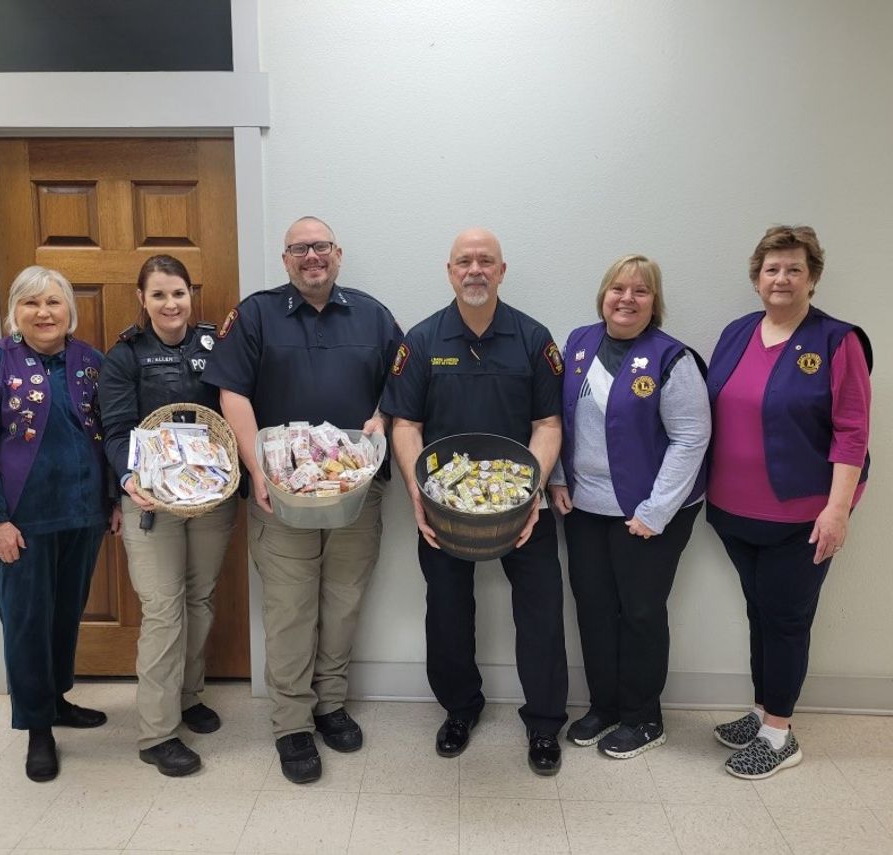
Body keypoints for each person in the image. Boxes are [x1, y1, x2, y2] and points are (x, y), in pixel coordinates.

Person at [201, 216, 401, 784]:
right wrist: (253, 467)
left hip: (354, 494)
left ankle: (330, 705)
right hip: (280, 495)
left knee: (342, 602)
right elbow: (232, 391)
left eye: (321, 247)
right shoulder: (257, 314)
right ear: (285, 259)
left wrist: (383, 417)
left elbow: (402, 384)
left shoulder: (374, 315)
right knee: (290, 609)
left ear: (338, 253)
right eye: (299, 249)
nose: (311, 257)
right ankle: (292, 722)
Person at [383, 227, 569, 777]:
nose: (475, 270)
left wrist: (530, 493)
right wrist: (418, 494)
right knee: (446, 609)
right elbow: (405, 424)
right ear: (449, 271)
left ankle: (543, 722)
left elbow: (549, 423)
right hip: (443, 507)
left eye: (486, 261)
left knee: (541, 611)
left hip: (522, 507)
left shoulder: (535, 340)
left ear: (502, 270)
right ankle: (460, 709)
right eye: (464, 261)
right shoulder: (420, 341)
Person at [706, 225, 872, 779]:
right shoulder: (736, 334)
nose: (782, 278)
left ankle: (780, 734)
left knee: (786, 620)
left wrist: (838, 509)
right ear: (757, 280)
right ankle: (761, 712)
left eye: (794, 269)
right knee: (760, 613)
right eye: (772, 269)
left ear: (813, 278)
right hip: (732, 511)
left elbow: (853, 431)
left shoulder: (836, 341)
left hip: (801, 517)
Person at [0, 265, 118, 783]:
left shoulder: (91, 363)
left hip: (82, 515)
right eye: (32, 304)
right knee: (26, 624)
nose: (44, 313)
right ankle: (37, 728)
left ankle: (58, 701)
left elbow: (112, 435)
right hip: (20, 525)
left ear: (69, 310)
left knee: (64, 615)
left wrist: (111, 499)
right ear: (15, 313)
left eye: (53, 302)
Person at [548, 254, 710, 760]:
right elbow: (556, 417)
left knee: (640, 611)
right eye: (618, 288)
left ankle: (644, 718)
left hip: (648, 512)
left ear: (654, 303)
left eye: (641, 292)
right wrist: (555, 478)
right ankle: (605, 707)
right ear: (603, 294)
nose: (627, 299)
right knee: (594, 609)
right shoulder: (577, 343)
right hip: (584, 506)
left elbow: (691, 437)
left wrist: (656, 510)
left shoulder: (672, 358)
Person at [98, 254, 236, 777]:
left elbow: (236, 407)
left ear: (190, 294)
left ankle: (187, 696)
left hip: (209, 499)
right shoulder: (125, 356)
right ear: (143, 300)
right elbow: (115, 431)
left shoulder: (213, 345)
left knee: (199, 600)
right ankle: (156, 733)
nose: (170, 304)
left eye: (177, 293)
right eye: (158, 295)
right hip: (150, 503)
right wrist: (128, 481)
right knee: (164, 609)